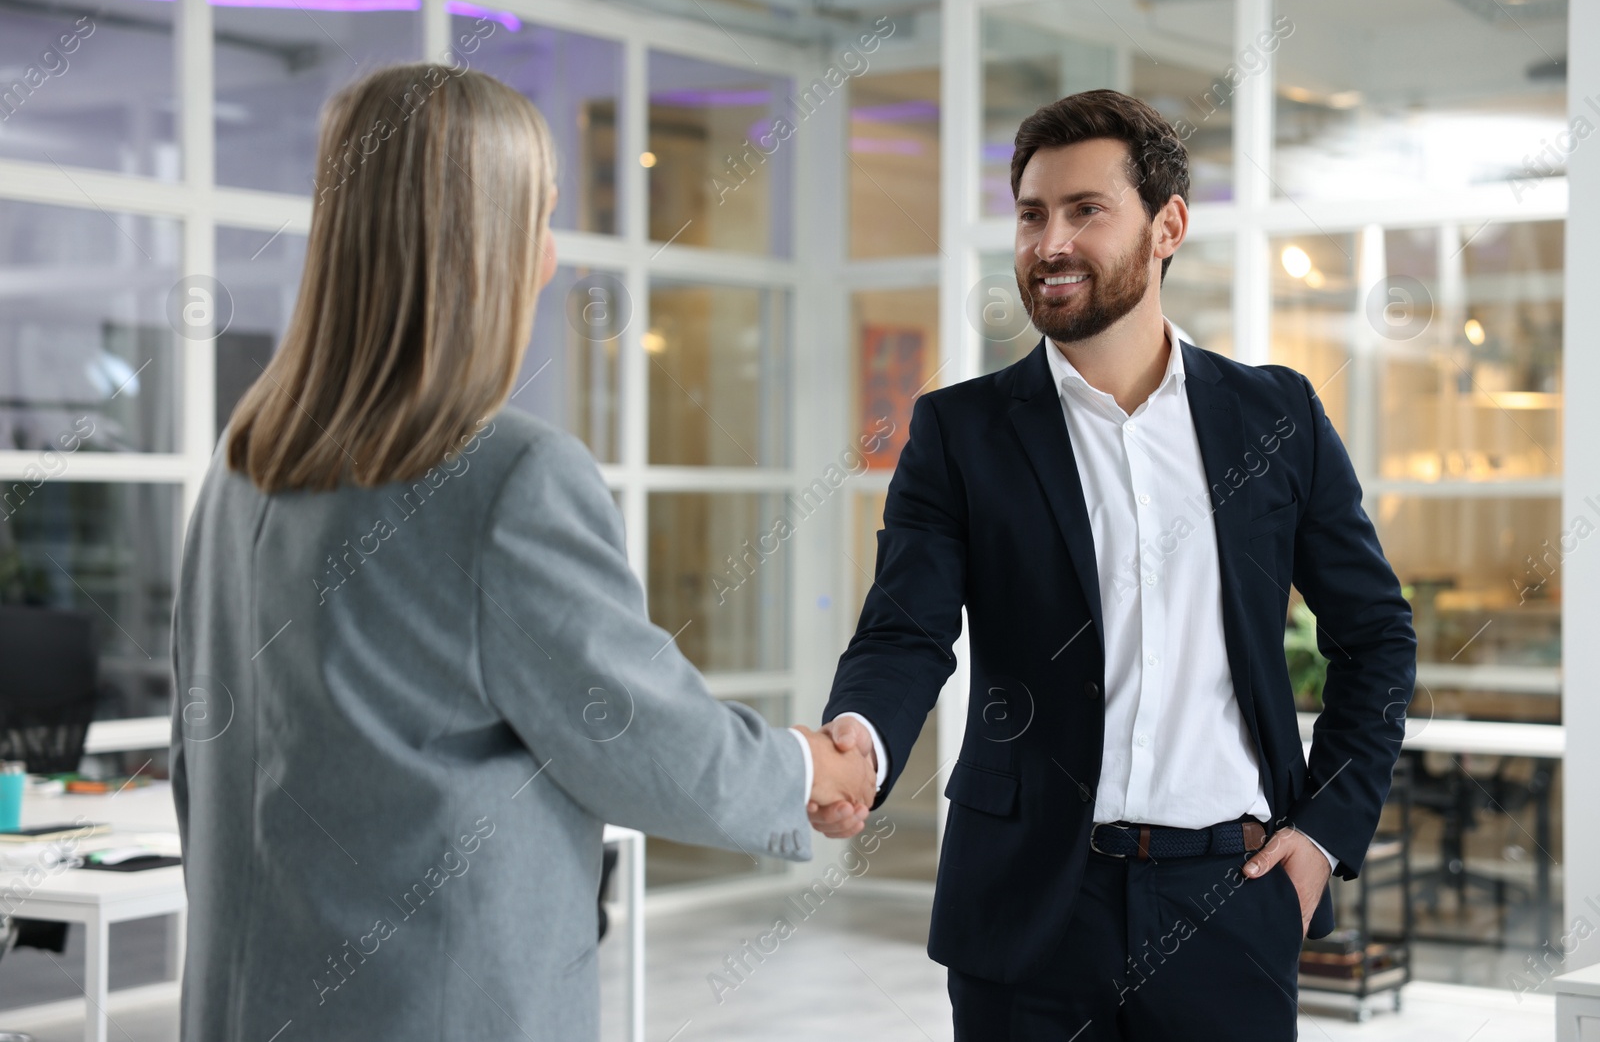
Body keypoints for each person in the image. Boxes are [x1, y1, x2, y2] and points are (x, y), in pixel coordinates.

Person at [169, 63, 873, 1041]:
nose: (550, 260)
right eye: (537, 219)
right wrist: (806, 769)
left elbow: (197, 759)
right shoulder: (509, 476)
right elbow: (637, 733)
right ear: (476, 244)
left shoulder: (243, 464)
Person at [809, 89, 1416, 1039]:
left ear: (1167, 225)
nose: (1049, 243)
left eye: (1086, 211)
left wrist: (1322, 837)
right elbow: (907, 629)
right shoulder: (961, 431)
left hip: (1232, 904)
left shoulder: (1276, 417)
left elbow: (1376, 637)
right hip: (1027, 914)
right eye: (1030, 214)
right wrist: (860, 743)